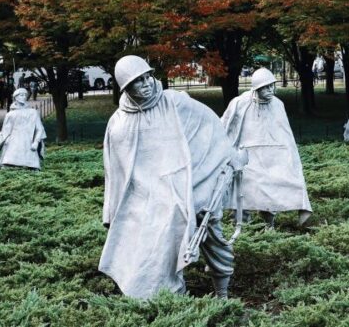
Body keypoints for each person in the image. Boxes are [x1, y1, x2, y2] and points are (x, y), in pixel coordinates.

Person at [100, 55, 244, 299]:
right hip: (147, 200)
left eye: (148, 77)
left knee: (211, 235)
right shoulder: (119, 123)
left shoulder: (175, 103)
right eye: (138, 81)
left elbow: (208, 129)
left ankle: (222, 293)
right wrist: (114, 209)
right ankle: (162, 295)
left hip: (191, 187)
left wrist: (226, 159)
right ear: (126, 86)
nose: (146, 84)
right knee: (149, 243)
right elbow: (116, 173)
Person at [221, 67, 312, 229]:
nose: (271, 90)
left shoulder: (278, 105)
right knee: (244, 192)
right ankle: (242, 227)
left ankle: (269, 225)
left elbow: (286, 136)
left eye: (273, 86)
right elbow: (224, 126)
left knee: (271, 188)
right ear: (257, 88)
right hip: (246, 157)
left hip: (271, 158)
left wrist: (289, 157)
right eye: (267, 87)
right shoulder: (240, 103)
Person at [0, 88, 46, 170]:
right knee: (7, 167)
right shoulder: (10, 114)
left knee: (32, 168)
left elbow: (40, 129)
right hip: (12, 147)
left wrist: (36, 142)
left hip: (28, 146)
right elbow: (5, 132)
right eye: (21, 95)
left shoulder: (33, 112)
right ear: (15, 97)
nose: (24, 97)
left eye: (25, 95)